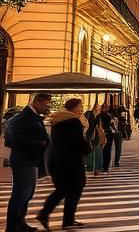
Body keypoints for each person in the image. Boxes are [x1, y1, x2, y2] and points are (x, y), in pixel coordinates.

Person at [36, 98, 91, 231]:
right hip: (69, 160)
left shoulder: (59, 119)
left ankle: (52, 216)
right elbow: (77, 141)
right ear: (73, 108)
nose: (82, 108)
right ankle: (63, 219)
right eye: (80, 106)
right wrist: (88, 149)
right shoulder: (73, 121)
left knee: (63, 189)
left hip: (56, 158)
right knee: (74, 187)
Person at [4, 93, 51, 232]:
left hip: (30, 160)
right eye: (46, 104)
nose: (47, 107)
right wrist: (40, 142)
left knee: (27, 194)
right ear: (37, 102)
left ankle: (20, 223)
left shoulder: (33, 116)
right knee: (21, 194)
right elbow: (17, 139)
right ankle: (13, 226)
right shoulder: (24, 117)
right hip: (23, 160)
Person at [83, 103, 105, 176]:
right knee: (90, 152)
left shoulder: (98, 116)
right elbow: (87, 125)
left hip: (95, 137)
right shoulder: (88, 114)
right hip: (89, 136)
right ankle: (90, 168)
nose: (99, 111)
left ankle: (96, 168)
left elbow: (99, 126)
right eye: (98, 109)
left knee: (97, 152)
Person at [100, 103, 122, 171]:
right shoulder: (107, 116)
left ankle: (104, 165)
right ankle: (106, 166)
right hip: (109, 134)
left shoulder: (99, 115)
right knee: (108, 150)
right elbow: (110, 125)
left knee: (104, 150)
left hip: (105, 133)